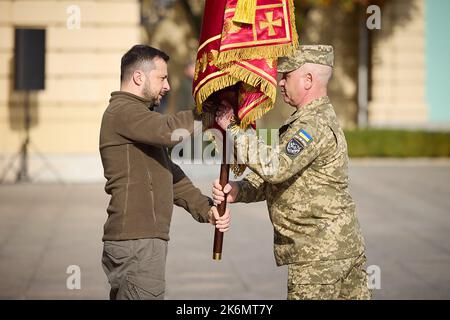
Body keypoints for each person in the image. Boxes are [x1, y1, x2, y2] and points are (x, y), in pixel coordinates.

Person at [212, 45, 371, 300]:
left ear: (308, 80)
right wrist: (239, 190)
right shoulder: (308, 120)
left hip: (319, 261)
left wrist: (232, 127)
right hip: (335, 251)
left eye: (286, 75)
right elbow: (285, 175)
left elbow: (275, 168)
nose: (280, 82)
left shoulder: (313, 125)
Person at [99, 45, 230, 300]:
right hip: (137, 242)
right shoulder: (122, 111)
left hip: (142, 242)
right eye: (162, 78)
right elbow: (170, 131)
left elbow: (170, 175)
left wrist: (206, 209)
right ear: (139, 77)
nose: (167, 86)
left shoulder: (138, 117)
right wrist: (209, 111)